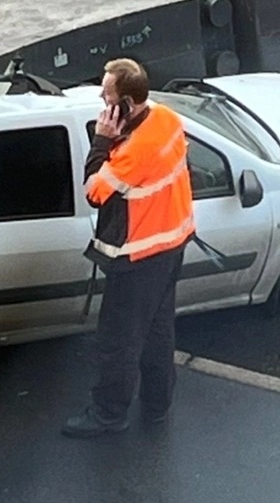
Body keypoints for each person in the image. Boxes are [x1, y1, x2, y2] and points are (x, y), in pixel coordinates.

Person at [63, 56, 195, 438]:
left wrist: (102, 140)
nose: (102, 103)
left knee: (118, 343)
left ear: (128, 103)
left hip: (137, 258)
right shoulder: (166, 119)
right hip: (171, 244)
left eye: (107, 96)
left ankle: (108, 415)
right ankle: (157, 405)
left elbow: (94, 191)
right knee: (158, 333)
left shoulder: (134, 151)